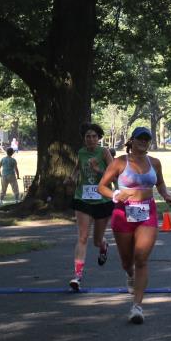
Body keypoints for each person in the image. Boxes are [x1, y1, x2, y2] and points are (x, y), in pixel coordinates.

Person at [98, 126, 171, 324]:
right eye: (140, 138)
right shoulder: (119, 162)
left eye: (146, 139)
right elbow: (102, 187)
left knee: (141, 258)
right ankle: (130, 274)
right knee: (127, 261)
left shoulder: (154, 162)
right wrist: (115, 195)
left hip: (147, 211)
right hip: (123, 212)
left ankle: (137, 307)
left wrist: (166, 195)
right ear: (131, 141)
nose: (143, 142)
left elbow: (160, 183)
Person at [64, 123, 115, 291]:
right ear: (84, 138)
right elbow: (77, 169)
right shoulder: (81, 152)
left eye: (94, 136)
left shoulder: (104, 152)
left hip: (102, 200)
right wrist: (71, 178)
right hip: (83, 198)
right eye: (88, 136)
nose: (91, 139)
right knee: (83, 237)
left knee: (96, 241)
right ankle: (77, 276)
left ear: (98, 138)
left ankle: (104, 246)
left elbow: (114, 175)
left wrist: (98, 170)